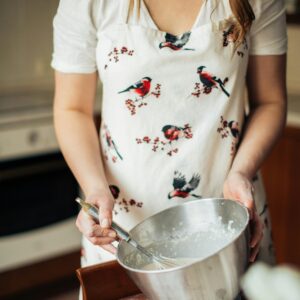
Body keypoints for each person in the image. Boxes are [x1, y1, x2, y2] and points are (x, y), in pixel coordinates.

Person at [51, 0, 287, 271]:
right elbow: (72, 109)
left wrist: (241, 172)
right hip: (124, 225)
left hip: (227, 216)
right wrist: (93, 187)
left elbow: (270, 101)